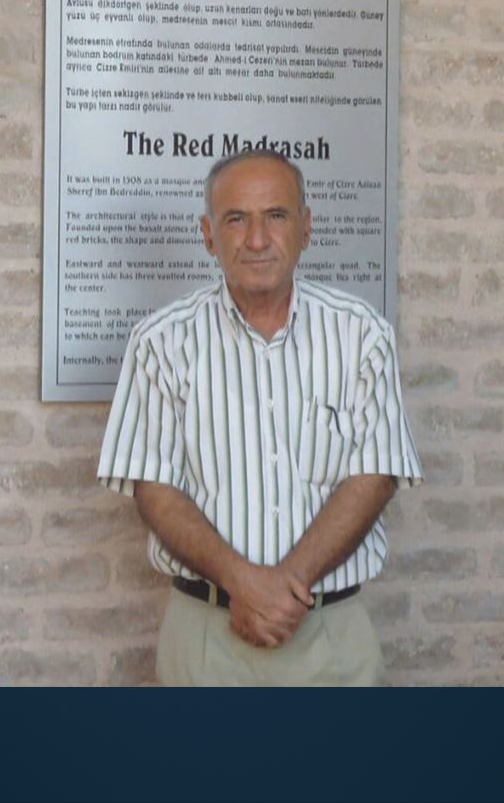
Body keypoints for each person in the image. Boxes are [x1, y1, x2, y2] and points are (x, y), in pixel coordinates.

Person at [95, 148, 423, 686]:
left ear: (305, 227)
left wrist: (283, 586)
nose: (256, 239)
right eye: (235, 219)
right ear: (208, 235)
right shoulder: (160, 342)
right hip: (206, 637)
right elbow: (153, 489)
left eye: (275, 216)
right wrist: (241, 583)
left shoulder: (362, 336)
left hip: (332, 635)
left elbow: (376, 474)